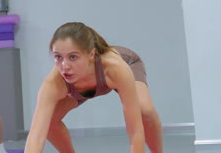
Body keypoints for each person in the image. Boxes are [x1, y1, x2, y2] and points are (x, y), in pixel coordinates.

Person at [24, 22, 163, 153]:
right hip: (81, 85)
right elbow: (36, 136)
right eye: (58, 57)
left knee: (145, 111)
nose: (64, 66)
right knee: (49, 122)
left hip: (124, 65)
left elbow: (135, 131)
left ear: (91, 54)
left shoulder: (115, 67)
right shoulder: (53, 84)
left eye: (73, 57)